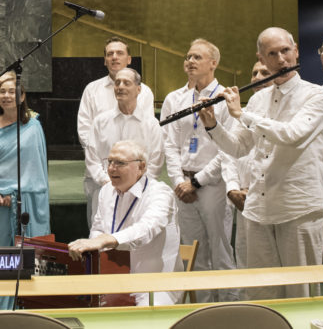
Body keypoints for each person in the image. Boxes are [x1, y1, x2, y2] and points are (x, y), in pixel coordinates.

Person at [201, 27, 323, 300]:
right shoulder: (259, 98)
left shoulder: (316, 95)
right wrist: (212, 124)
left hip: (298, 207)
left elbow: (293, 135)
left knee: (300, 292)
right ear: (262, 58)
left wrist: (242, 114)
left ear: (295, 51)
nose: (281, 59)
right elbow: (238, 147)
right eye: (273, 54)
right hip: (259, 209)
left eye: (285, 51)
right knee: (262, 291)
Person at [160, 39, 237, 302]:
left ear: (213, 63)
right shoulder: (175, 98)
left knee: (220, 250)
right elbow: (169, 144)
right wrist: (180, 181)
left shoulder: (226, 98)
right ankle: (203, 310)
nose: (190, 61)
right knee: (194, 251)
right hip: (183, 185)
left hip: (213, 184)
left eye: (197, 57)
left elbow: (228, 149)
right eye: (188, 56)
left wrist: (198, 182)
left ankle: (229, 308)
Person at [68, 140, 183, 306]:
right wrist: (96, 241)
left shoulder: (160, 193)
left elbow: (146, 230)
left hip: (155, 284)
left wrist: (106, 240)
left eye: (120, 163)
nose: (112, 168)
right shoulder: (106, 191)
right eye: (110, 162)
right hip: (114, 280)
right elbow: (98, 228)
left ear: (141, 167)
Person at [0, 73, 50, 308]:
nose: (7, 96)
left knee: (26, 258)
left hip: (24, 203)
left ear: (22, 95)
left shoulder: (33, 126)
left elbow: (37, 170)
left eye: (12, 91)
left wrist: (16, 196)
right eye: (2, 91)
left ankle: (28, 306)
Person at [77, 37, 155, 223]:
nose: (114, 57)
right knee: (99, 227)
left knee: (132, 227)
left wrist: (133, 174)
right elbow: (85, 131)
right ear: (104, 60)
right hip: (101, 175)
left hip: (135, 176)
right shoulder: (92, 89)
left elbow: (148, 134)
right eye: (109, 54)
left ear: (129, 59)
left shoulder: (144, 92)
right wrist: (106, 177)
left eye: (119, 53)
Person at [85, 67, 165, 213]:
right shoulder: (100, 121)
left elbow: (155, 162)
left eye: (126, 83)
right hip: (106, 191)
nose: (120, 87)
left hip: (140, 194)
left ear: (139, 90)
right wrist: (109, 183)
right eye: (117, 83)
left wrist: (134, 186)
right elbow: (92, 159)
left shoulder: (151, 124)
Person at [229, 61, 269, 268]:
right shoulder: (241, 112)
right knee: (244, 263)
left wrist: (253, 189)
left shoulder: (284, 115)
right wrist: (232, 188)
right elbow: (228, 153)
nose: (257, 77)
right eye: (254, 73)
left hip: (269, 201)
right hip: (243, 200)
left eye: (264, 72)